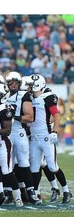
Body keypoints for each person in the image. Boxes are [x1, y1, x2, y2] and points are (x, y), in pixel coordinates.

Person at [29, 75, 72, 204]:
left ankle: (66, 191)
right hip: (34, 137)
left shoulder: (47, 97)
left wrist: (54, 131)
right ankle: (36, 193)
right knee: (35, 168)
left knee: (53, 167)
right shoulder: (29, 97)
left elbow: (56, 115)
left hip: (45, 136)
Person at [5, 71, 41, 204]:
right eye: (11, 83)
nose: (13, 85)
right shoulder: (4, 95)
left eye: (16, 83)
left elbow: (30, 117)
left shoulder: (23, 95)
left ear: (19, 84)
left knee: (24, 163)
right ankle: (8, 191)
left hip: (18, 132)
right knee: (7, 164)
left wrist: (14, 117)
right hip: (6, 133)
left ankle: (31, 192)